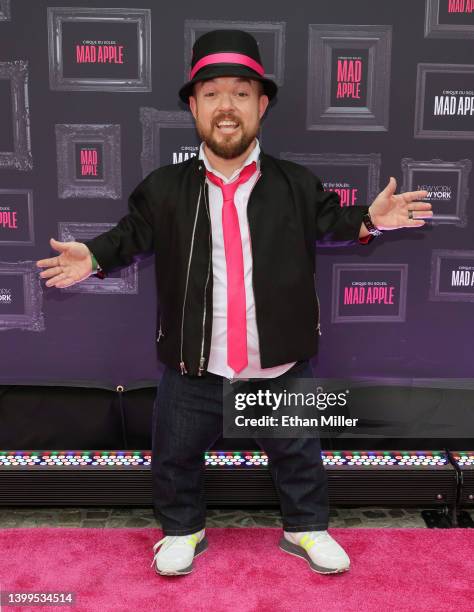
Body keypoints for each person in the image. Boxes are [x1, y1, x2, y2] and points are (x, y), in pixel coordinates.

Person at [36, 30, 432, 576]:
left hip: (280, 362)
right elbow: (130, 235)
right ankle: (182, 530)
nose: (227, 106)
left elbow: (334, 220)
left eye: (241, 93)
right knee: (175, 459)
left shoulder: (295, 183)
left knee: (298, 454)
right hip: (193, 364)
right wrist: (94, 255)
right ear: (194, 105)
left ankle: (306, 527)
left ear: (261, 105)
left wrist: (370, 219)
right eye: (213, 93)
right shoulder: (164, 188)